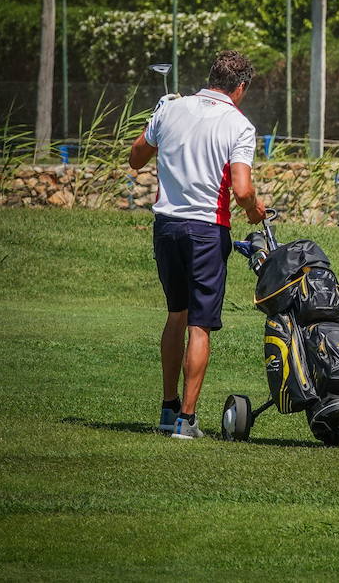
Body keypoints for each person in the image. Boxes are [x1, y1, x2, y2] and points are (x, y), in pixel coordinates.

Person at [128, 51, 266, 439]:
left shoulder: (171, 108)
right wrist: (256, 210)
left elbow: (135, 158)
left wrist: (154, 118)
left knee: (176, 314)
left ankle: (168, 410)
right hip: (207, 230)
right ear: (240, 87)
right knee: (199, 326)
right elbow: (241, 189)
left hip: (167, 226)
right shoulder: (239, 124)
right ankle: (187, 421)